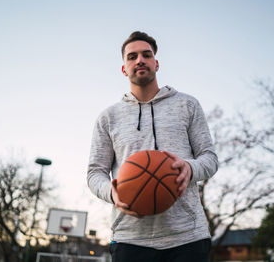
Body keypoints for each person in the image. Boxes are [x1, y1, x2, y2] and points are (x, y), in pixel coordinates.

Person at [87, 31, 218, 262]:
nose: (140, 60)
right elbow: (95, 172)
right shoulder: (108, 117)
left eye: (146, 55)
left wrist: (190, 168)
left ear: (156, 64)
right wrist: (112, 192)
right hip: (130, 238)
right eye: (132, 56)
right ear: (123, 68)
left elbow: (210, 158)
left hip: (188, 237)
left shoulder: (187, 105)